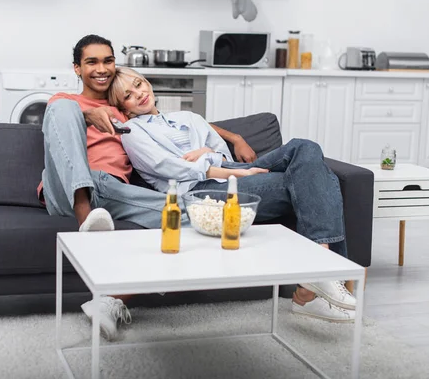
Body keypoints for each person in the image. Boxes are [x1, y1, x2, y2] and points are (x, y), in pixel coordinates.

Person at [39, 34, 258, 340]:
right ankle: (84, 218)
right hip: (66, 189)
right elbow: (60, 122)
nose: (101, 68)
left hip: (114, 194)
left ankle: (111, 301)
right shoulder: (65, 103)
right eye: (91, 62)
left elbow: (181, 119)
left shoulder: (124, 109)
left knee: (201, 216)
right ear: (77, 68)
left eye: (108, 60)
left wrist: (234, 138)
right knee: (63, 110)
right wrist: (86, 114)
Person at [107, 67, 357, 323]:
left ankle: (317, 272)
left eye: (139, 84)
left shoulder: (189, 117)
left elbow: (223, 154)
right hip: (200, 191)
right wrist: (228, 173)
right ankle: (319, 275)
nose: (138, 93)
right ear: (123, 107)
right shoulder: (132, 132)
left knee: (305, 147)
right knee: (319, 179)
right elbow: (167, 167)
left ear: (147, 82)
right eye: (128, 95)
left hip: (232, 171)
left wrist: (209, 156)